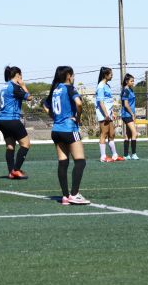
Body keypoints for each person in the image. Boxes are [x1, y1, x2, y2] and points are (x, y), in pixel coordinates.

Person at [45, 66, 90, 205]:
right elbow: (79, 103)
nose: (74, 78)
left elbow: (45, 105)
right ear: (69, 76)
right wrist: (78, 117)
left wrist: (54, 116)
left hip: (56, 130)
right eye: (73, 75)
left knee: (63, 162)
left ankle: (65, 196)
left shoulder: (55, 89)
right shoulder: (69, 88)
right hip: (69, 129)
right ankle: (75, 194)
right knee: (80, 161)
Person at [0, 66, 33, 179]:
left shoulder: (3, 87)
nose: (22, 77)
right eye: (21, 75)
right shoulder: (15, 87)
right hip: (11, 120)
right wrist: (23, 85)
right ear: (17, 75)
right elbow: (29, 97)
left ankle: (10, 172)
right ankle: (16, 170)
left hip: (1, 120)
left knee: (10, 146)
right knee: (26, 144)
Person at [95, 66, 124, 162]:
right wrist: (106, 114)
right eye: (111, 74)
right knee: (104, 133)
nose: (112, 76)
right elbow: (101, 102)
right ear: (105, 75)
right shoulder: (101, 86)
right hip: (103, 114)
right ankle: (103, 157)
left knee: (111, 134)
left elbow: (109, 101)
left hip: (109, 113)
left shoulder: (107, 85)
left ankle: (115, 155)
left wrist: (112, 113)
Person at [121, 73, 139, 160]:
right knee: (134, 133)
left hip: (129, 114)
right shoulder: (126, 90)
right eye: (131, 81)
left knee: (128, 134)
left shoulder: (130, 90)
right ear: (126, 81)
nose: (133, 82)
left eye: (133, 81)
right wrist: (132, 114)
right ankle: (134, 154)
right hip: (127, 114)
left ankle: (126, 155)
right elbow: (126, 104)